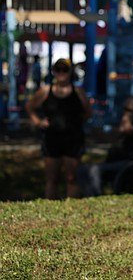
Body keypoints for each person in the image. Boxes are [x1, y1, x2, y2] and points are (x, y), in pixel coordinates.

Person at [25, 58, 92, 199]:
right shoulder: (45, 91)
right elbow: (30, 107)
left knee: (71, 177)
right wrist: (38, 122)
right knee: (52, 178)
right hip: (52, 138)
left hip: (73, 138)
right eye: (58, 70)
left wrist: (77, 123)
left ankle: (71, 210)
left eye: (65, 70)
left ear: (70, 72)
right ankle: (50, 209)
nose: (61, 73)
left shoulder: (78, 92)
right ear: (54, 72)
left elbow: (87, 112)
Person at [78, 95, 133, 197]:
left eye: (128, 110)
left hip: (132, 164)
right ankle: (88, 196)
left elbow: (126, 130)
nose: (125, 112)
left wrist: (126, 118)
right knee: (82, 169)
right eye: (124, 109)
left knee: (94, 170)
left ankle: (95, 197)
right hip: (120, 162)